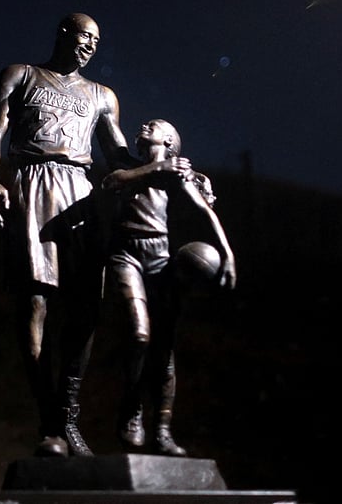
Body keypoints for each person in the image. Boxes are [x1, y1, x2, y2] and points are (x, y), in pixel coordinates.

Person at [0, 13, 141, 457]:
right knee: (35, 301)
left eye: (96, 40)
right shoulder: (21, 75)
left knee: (87, 306)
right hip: (32, 183)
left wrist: (169, 168)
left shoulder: (102, 96)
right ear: (63, 34)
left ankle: (67, 413)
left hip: (80, 193)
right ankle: (49, 420)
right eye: (83, 35)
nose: (90, 44)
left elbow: (119, 156)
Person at [101, 119, 236, 456]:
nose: (147, 124)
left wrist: (228, 255)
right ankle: (132, 407)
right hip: (126, 254)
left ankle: (162, 430)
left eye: (156, 125)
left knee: (164, 351)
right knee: (139, 334)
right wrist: (157, 168)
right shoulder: (128, 166)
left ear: (170, 142)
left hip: (160, 260)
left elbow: (205, 212)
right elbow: (111, 182)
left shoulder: (175, 176)